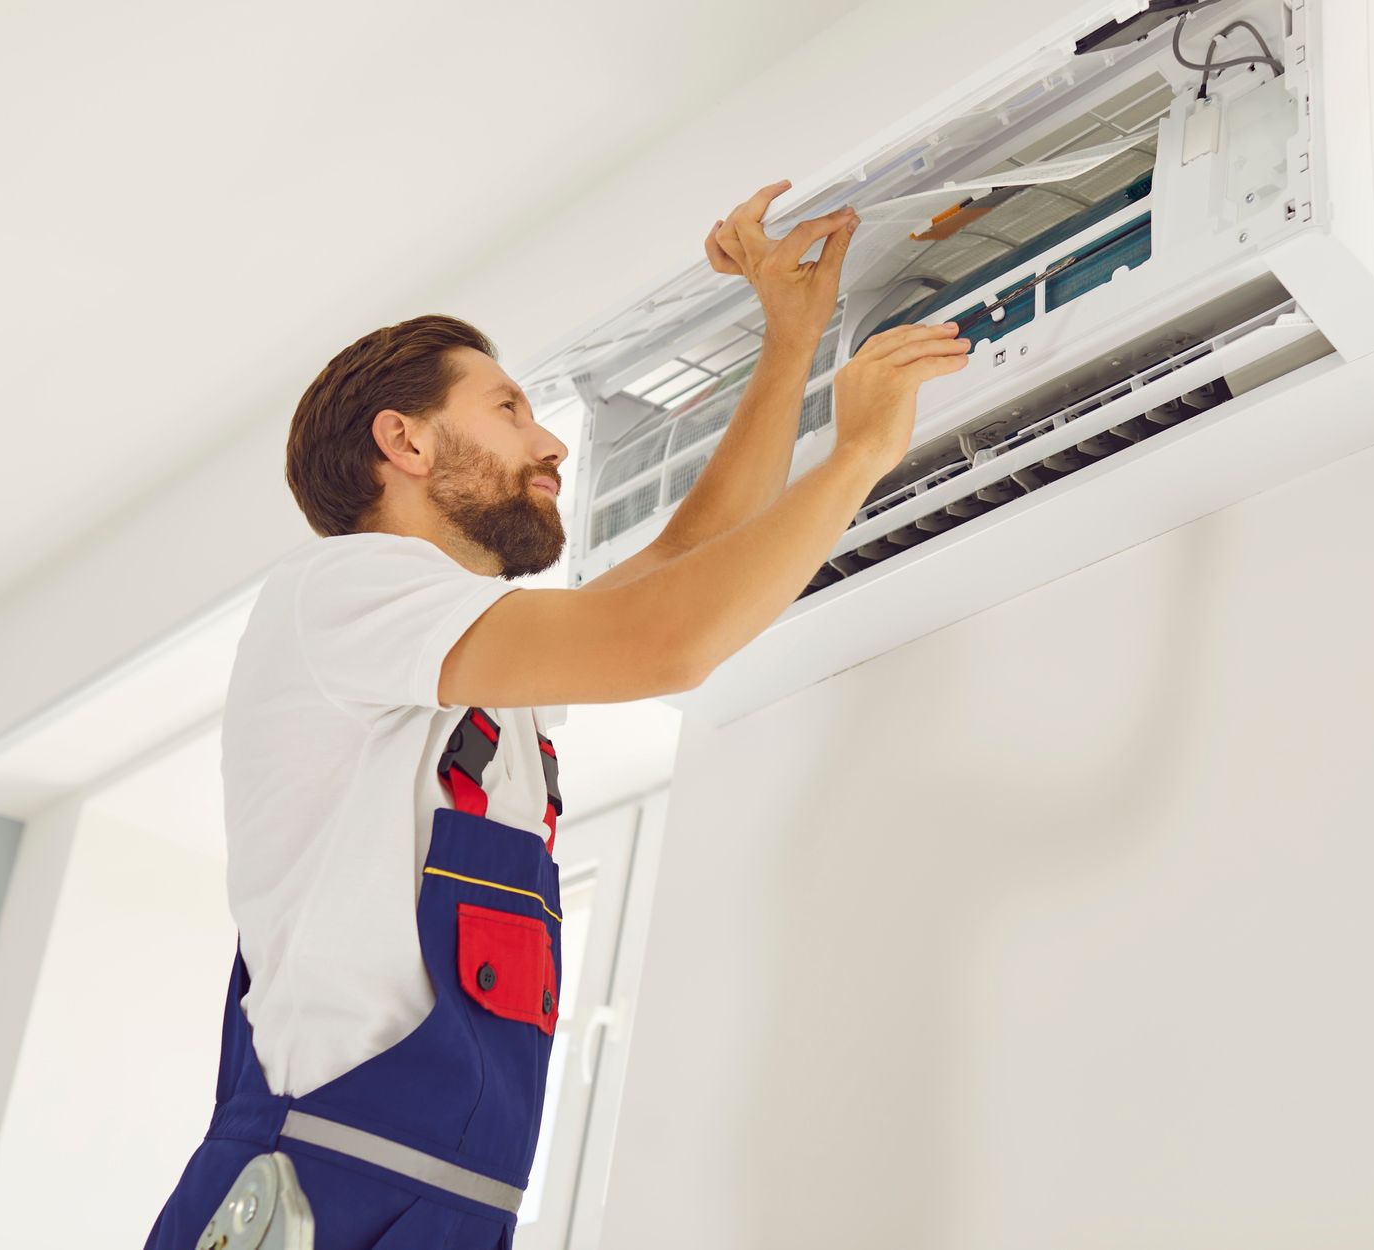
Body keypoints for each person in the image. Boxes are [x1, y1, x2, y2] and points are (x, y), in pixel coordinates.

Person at [142, 181, 971, 1249]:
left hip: (450, 1212)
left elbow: (672, 577)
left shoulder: (461, 670)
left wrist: (791, 343)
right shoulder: (339, 590)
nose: (554, 446)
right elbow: (667, 635)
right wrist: (855, 454)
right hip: (319, 1191)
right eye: (509, 409)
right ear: (405, 440)